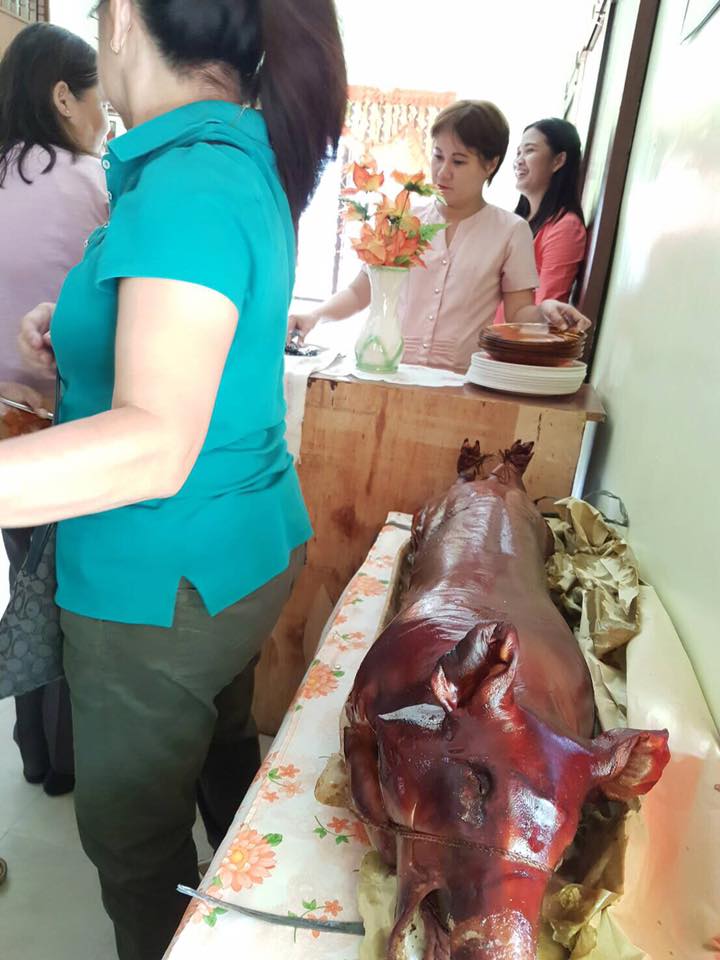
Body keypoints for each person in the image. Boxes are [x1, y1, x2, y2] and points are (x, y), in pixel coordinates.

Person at [2, 0, 346, 957]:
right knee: (223, 757)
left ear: (120, 20)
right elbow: (200, 337)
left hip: (158, 583)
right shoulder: (230, 156)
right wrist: (77, 322)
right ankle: (250, 912)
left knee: (132, 840)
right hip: (239, 550)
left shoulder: (187, 181)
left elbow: (155, 440)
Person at [0, 23, 109, 796]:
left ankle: (30, 745)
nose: (106, 114)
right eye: (99, 96)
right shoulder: (95, 183)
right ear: (64, 96)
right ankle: (64, 754)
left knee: (22, 575)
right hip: (69, 421)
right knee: (68, 586)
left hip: (3, 424)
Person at [287, 99, 591, 373]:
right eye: (437, 156)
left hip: (463, 384)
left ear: (491, 164)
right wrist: (315, 316)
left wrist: (545, 312)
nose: (443, 172)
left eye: (458, 161)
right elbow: (360, 292)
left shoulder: (511, 231)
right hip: (390, 372)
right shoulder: (402, 217)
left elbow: (518, 313)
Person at [508, 117, 587, 309]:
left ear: (558, 160)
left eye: (529, 150)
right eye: (518, 152)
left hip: (512, 329)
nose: (518, 161)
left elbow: (546, 309)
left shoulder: (565, 227)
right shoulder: (517, 222)